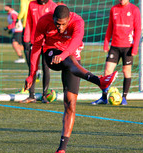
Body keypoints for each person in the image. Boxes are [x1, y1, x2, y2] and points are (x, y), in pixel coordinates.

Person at [24, 5, 118, 153]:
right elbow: (36, 47)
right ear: (53, 18)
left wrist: (64, 54)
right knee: (68, 60)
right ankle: (99, 81)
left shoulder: (78, 21)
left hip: (71, 58)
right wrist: (32, 74)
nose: (60, 28)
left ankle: (62, 148)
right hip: (52, 54)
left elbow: (76, 41)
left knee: (70, 104)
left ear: (69, 19)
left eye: (63, 24)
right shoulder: (43, 21)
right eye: (57, 24)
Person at [91, 0, 141, 106]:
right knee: (107, 71)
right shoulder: (114, 9)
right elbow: (110, 27)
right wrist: (106, 43)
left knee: (126, 71)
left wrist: (135, 47)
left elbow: (138, 29)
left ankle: (124, 97)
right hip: (114, 46)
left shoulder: (134, 10)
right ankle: (104, 97)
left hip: (128, 47)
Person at [19, 0, 57, 103]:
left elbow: (56, 25)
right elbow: (28, 22)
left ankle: (44, 95)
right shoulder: (32, 4)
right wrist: (26, 39)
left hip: (48, 42)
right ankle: (31, 95)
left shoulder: (53, 6)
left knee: (46, 67)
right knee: (32, 68)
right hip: (34, 41)